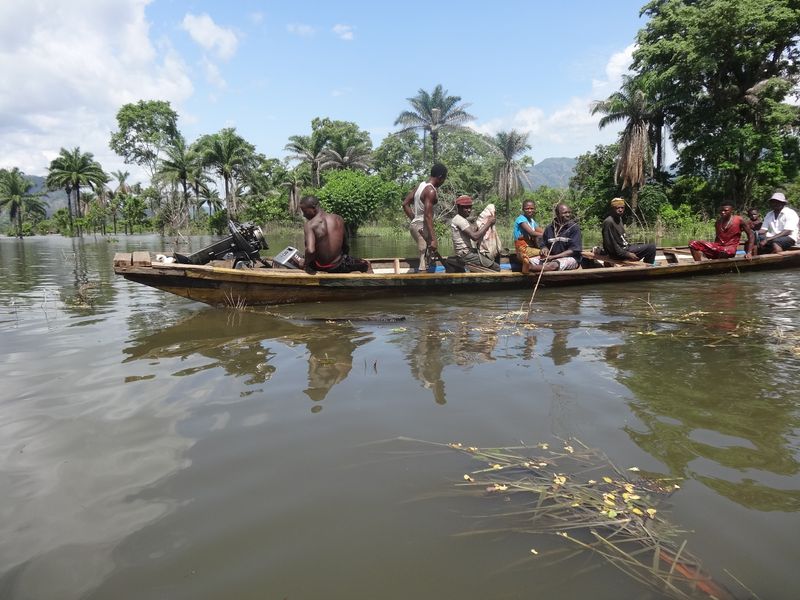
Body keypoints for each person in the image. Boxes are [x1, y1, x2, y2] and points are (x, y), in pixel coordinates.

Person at [295, 196, 372, 273]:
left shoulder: (310, 225)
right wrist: (345, 259)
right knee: (364, 264)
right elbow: (346, 246)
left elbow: (311, 251)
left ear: (313, 208)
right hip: (340, 265)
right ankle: (371, 277)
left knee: (301, 261)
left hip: (322, 267)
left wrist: (305, 264)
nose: (304, 215)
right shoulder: (339, 219)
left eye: (305, 211)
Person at [402, 163, 447, 272]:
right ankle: (422, 282)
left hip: (415, 226)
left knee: (427, 256)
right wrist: (433, 239)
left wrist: (414, 219)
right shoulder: (430, 191)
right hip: (422, 227)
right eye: (444, 178)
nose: (444, 181)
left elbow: (405, 204)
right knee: (424, 260)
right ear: (440, 177)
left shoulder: (420, 186)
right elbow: (427, 216)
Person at [446, 195, 501, 272]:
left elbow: (474, 230)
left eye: (470, 207)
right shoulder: (459, 220)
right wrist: (488, 223)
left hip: (466, 253)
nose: (469, 210)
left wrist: (482, 221)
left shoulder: (462, 219)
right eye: (466, 207)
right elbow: (475, 237)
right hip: (466, 255)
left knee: (488, 256)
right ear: (459, 207)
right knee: (496, 267)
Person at [524, 203, 582, 273]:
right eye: (565, 213)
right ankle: (531, 268)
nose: (568, 215)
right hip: (551, 257)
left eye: (569, 212)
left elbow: (574, 250)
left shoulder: (574, 228)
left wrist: (553, 257)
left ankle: (530, 269)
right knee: (528, 261)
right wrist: (544, 248)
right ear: (557, 214)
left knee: (553, 265)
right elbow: (543, 243)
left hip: (571, 258)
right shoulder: (549, 228)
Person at [689, 203, 754, 261]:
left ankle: (718, 262)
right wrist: (710, 250)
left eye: (726, 210)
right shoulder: (718, 222)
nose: (723, 212)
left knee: (724, 251)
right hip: (719, 247)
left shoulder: (739, 220)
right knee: (693, 243)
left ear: (731, 211)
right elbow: (717, 239)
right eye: (721, 211)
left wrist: (749, 252)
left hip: (730, 248)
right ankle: (699, 265)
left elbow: (751, 235)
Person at [601, 198, 656, 264]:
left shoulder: (619, 219)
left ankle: (646, 266)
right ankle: (648, 269)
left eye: (622, 208)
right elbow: (610, 246)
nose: (620, 210)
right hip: (617, 254)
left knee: (647, 246)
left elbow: (621, 240)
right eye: (617, 208)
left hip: (625, 249)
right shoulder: (609, 222)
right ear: (612, 208)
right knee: (651, 247)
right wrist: (627, 254)